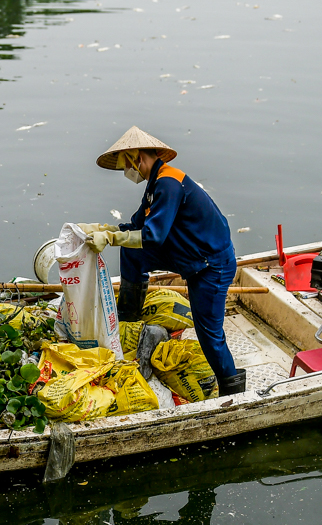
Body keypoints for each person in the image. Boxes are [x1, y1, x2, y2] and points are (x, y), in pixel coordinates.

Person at [80, 126, 245, 395]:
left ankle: (232, 389)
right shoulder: (154, 186)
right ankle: (128, 316)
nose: (126, 171)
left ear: (138, 159)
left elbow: (153, 236)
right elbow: (136, 226)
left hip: (211, 265)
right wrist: (103, 229)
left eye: (126, 164)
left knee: (209, 334)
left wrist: (110, 239)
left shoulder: (169, 183)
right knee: (132, 250)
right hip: (190, 255)